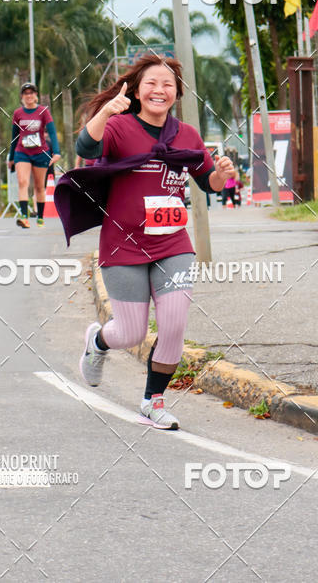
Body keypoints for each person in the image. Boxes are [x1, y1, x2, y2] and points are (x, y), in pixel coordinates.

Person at [55, 56, 235, 430]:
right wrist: (106, 111)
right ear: (136, 91)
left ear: (176, 94)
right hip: (124, 245)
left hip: (173, 244)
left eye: (167, 84)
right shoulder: (119, 127)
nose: (159, 90)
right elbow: (87, 148)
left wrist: (220, 175)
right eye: (151, 83)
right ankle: (99, 341)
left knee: (173, 326)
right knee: (131, 332)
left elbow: (208, 183)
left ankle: (152, 402)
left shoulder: (186, 135)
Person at [8, 83, 61, 229]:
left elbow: (52, 132)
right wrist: (11, 157)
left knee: (39, 187)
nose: (29, 96)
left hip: (40, 153)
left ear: (36, 95)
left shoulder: (43, 111)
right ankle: (24, 217)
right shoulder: (18, 113)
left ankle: (40, 218)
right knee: (22, 182)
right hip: (22, 152)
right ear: (22, 97)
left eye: (31, 93)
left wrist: (56, 152)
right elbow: (14, 136)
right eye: (26, 93)